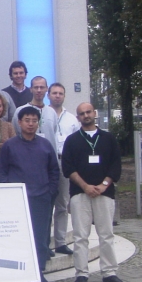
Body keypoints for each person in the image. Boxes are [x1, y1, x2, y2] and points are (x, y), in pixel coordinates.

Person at [61, 103, 124, 282]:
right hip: (80, 193)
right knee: (80, 236)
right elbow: (68, 168)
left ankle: (109, 272)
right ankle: (81, 273)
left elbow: (116, 164)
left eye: (88, 112)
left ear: (94, 113)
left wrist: (104, 185)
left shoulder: (108, 138)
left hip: (105, 193)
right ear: (78, 117)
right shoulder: (72, 141)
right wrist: (85, 186)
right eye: (81, 113)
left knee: (106, 234)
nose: (86, 115)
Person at [0, 106, 60, 282]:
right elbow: (2, 172)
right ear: (19, 122)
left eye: (34, 121)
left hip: (41, 197)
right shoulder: (10, 145)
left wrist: (51, 191)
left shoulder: (45, 144)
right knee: (17, 238)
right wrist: (7, 193)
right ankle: (16, 274)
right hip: (17, 200)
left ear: (38, 123)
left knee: (40, 237)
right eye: (27, 120)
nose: (31, 124)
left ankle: (38, 271)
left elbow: (53, 170)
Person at [49, 83, 81, 256]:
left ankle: (60, 242)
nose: (57, 96)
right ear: (49, 95)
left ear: (64, 96)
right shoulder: (43, 115)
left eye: (60, 93)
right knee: (47, 204)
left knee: (62, 204)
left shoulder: (71, 119)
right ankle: (44, 243)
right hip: (47, 163)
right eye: (54, 93)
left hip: (65, 162)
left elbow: (77, 142)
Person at [13, 76, 59, 152]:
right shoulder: (20, 111)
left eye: (42, 87)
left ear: (47, 89)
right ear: (31, 89)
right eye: (36, 87)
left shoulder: (52, 112)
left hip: (48, 156)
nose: (39, 90)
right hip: (26, 154)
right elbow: (16, 132)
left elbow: (54, 133)